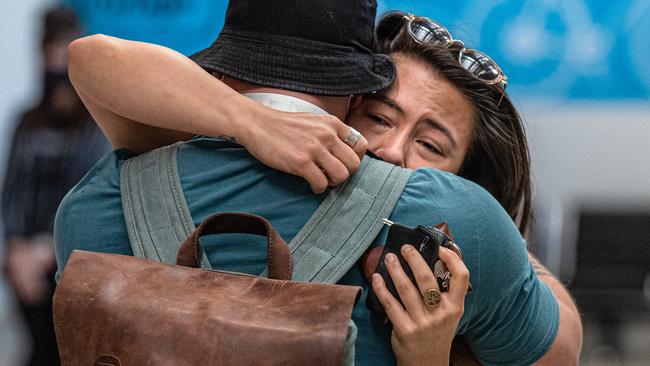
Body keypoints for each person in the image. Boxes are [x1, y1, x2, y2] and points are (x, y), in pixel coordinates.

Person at [57, 1, 579, 364]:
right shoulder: (472, 224)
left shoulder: (97, 203)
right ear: (352, 97)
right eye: (378, 118)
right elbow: (560, 350)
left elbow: (92, 60)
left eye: (431, 145)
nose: (390, 153)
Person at [1, 6, 108, 366]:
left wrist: (46, 248)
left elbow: (84, 195)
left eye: (66, 53)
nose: (58, 64)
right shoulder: (26, 124)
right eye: (52, 53)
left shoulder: (96, 128)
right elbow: (12, 192)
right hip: (25, 263)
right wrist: (17, 251)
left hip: (68, 259)